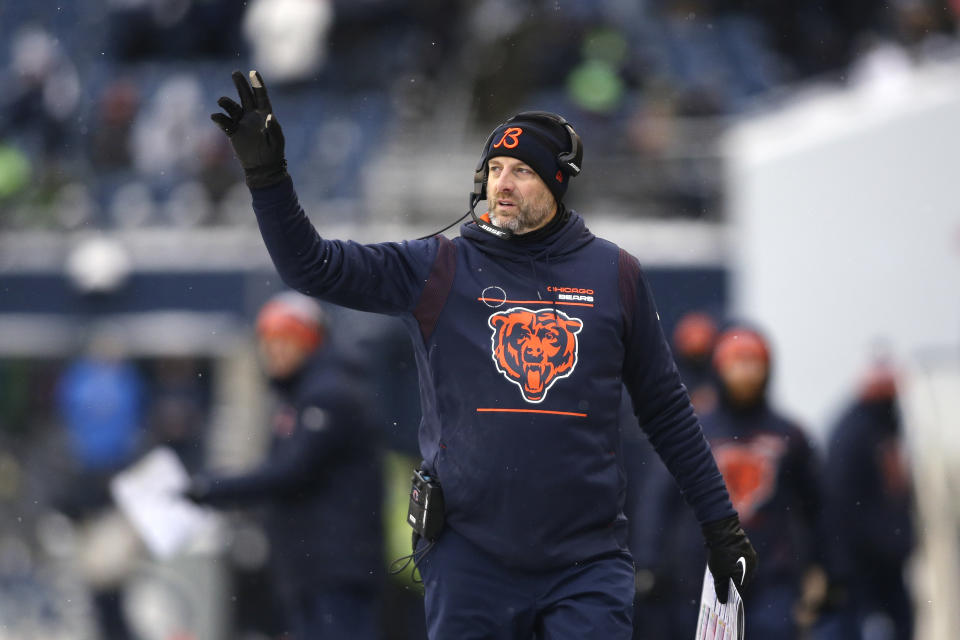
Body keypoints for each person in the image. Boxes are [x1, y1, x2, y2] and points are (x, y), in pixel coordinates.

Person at [210, 70, 757, 639]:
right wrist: (267, 178)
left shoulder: (614, 273)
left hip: (586, 560)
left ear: (556, 183)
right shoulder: (438, 267)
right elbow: (311, 266)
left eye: (521, 171)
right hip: (471, 558)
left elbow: (668, 412)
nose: (504, 183)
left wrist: (719, 524)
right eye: (495, 169)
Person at [185, 291, 384, 640]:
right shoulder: (302, 393)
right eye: (269, 342)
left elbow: (290, 471)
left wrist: (212, 488)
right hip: (313, 566)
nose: (273, 352)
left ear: (309, 343)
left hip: (335, 567)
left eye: (286, 341)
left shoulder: (329, 394)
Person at [639, 324, 828, 638]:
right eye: (737, 362)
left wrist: (827, 569)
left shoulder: (789, 434)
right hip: (704, 575)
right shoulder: (693, 428)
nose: (745, 373)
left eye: (753, 362)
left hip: (772, 572)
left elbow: (818, 507)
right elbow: (659, 498)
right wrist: (649, 560)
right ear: (719, 367)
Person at [817, 361, 914, 640]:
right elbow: (841, 500)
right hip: (863, 561)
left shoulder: (883, 430)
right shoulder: (856, 432)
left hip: (884, 557)